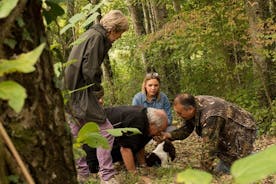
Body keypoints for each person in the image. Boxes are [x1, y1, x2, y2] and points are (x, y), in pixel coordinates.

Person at [64, 10, 129, 184]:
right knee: (106, 131)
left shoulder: (91, 33)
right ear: (113, 29)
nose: (120, 37)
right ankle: (107, 177)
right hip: (82, 92)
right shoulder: (98, 38)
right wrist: (97, 93)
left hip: (71, 91)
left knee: (75, 132)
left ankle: (81, 174)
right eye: (120, 33)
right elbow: (90, 70)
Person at [160, 93, 257, 174]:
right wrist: (169, 135)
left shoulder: (210, 116)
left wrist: (203, 171)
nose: (179, 116)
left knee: (239, 165)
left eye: (180, 113)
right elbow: (186, 128)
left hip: (243, 129)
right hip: (226, 131)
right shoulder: (194, 104)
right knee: (223, 168)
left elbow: (210, 145)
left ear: (190, 109)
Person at [84, 106, 168, 176]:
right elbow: (125, 149)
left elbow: (139, 144)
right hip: (91, 147)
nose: (159, 134)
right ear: (152, 124)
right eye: (159, 130)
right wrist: (134, 175)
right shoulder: (137, 122)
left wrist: (143, 166)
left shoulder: (145, 118)